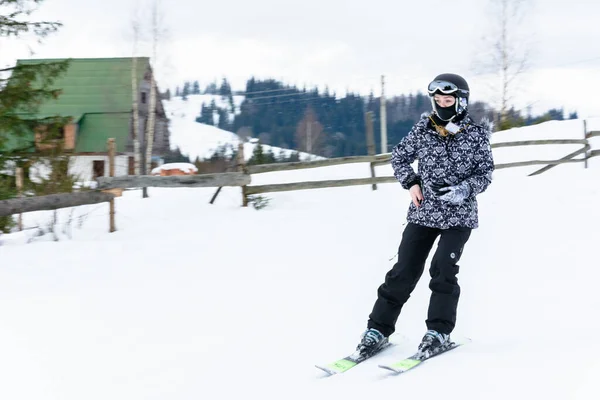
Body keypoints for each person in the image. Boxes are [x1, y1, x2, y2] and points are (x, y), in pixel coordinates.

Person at [355, 73, 494, 359]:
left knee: (443, 269)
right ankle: (378, 330)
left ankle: (439, 331)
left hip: (459, 216)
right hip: (424, 213)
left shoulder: (476, 135)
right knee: (403, 270)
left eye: (448, 99)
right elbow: (400, 157)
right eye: (438, 100)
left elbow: (485, 173)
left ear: (461, 101)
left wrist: (463, 189)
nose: (442, 105)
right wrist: (412, 183)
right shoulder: (423, 130)